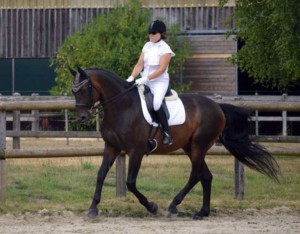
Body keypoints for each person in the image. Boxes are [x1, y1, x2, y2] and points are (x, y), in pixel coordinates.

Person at [126, 20, 175, 145]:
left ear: (161, 34)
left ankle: (167, 132)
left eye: (153, 33)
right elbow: (139, 64)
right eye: (149, 33)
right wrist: (131, 77)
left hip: (159, 81)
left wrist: (146, 78)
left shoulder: (165, 49)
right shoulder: (147, 46)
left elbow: (162, 69)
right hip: (145, 79)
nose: (151, 35)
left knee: (157, 104)